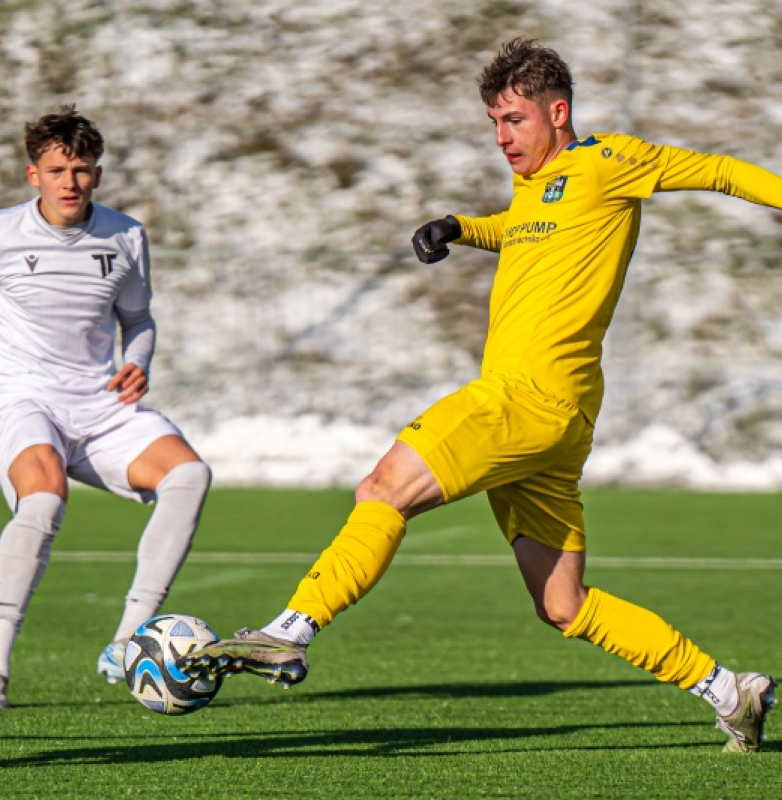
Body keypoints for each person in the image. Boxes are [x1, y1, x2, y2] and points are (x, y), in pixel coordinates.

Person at [179, 39, 779, 752]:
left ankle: (290, 631)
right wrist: (463, 228)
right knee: (563, 604)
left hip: (524, 400)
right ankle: (726, 689)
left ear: (558, 113)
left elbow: (712, 170)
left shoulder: (608, 163)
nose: (502, 137)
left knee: (383, 487)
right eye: (493, 121)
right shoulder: (538, 189)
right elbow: (525, 234)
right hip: (558, 422)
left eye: (514, 120)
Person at [0, 106, 212, 710]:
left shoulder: (125, 235)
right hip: (21, 397)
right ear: (32, 174)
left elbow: (138, 319)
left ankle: (126, 640)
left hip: (101, 402)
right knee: (44, 493)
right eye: (56, 169)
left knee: (189, 475)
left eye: (81, 170)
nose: (69, 183)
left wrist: (140, 359)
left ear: (98, 175)